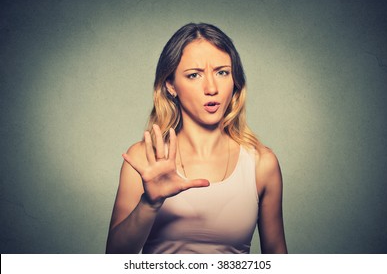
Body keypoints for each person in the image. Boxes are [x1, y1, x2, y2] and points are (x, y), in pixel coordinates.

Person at [106, 23, 287, 254]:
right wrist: (149, 203)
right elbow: (114, 258)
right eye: (194, 75)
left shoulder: (262, 163)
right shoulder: (143, 158)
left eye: (222, 72)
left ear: (235, 81)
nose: (211, 88)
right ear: (171, 85)